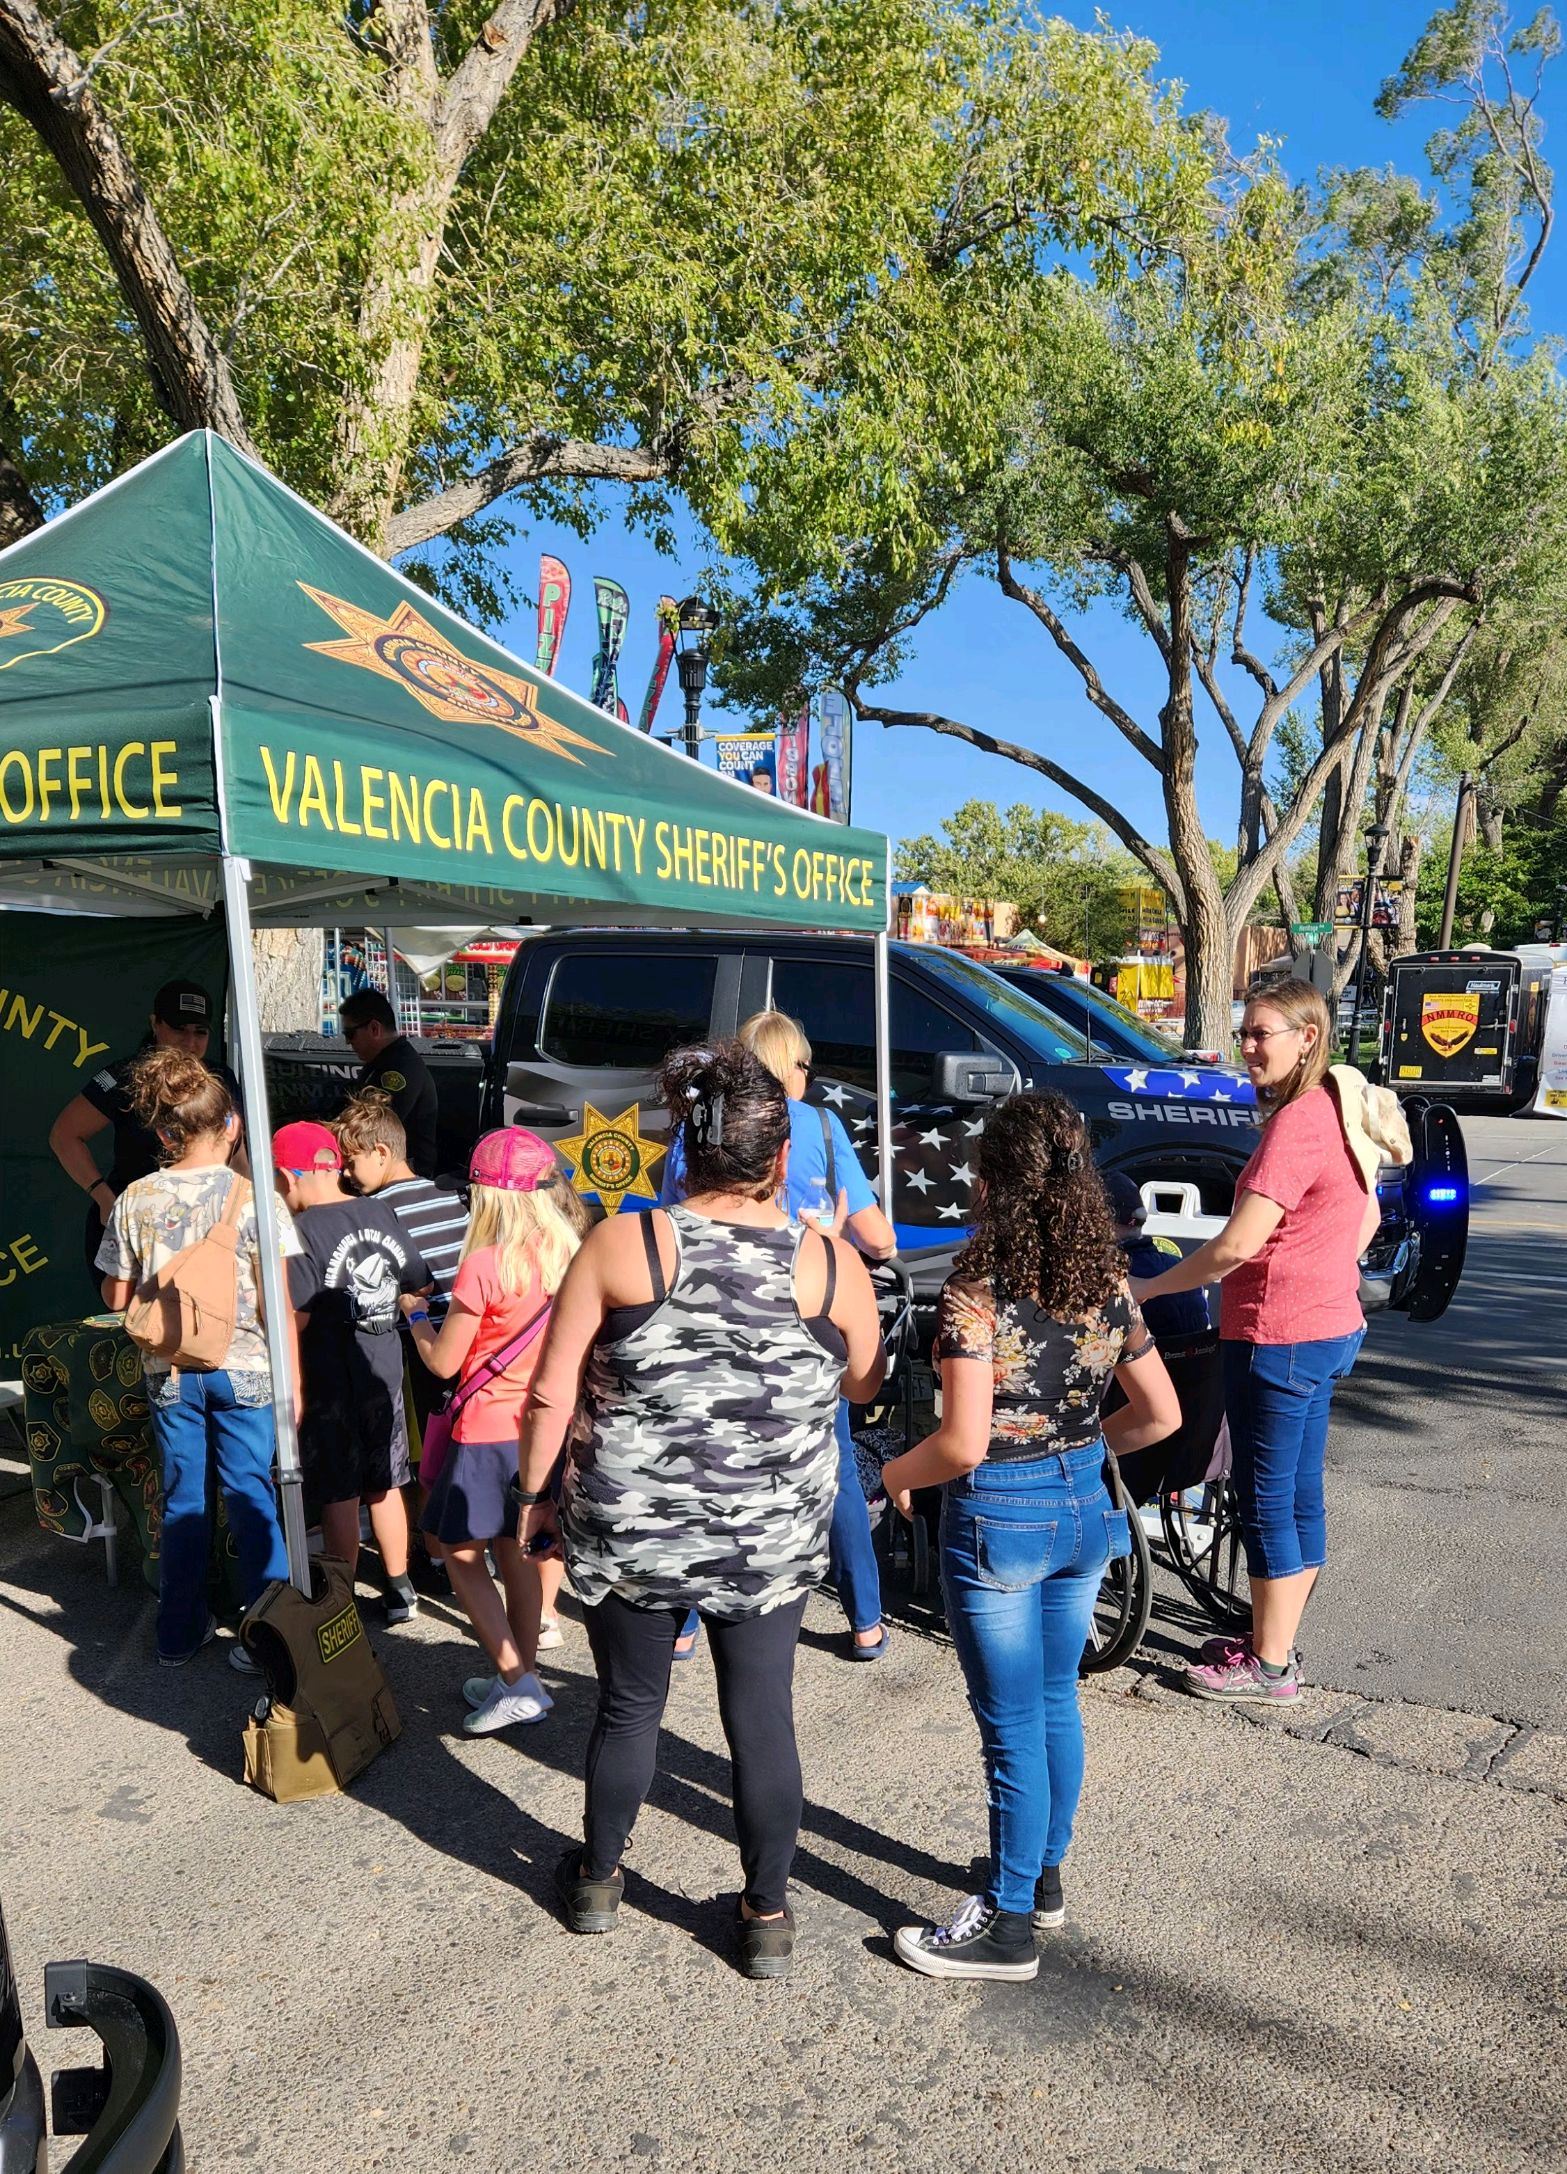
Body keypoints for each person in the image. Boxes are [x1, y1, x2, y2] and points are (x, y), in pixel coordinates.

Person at [517, 1041, 885, 1979]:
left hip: (631, 1528)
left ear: (684, 1143)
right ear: (779, 1158)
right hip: (767, 1538)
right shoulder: (833, 1266)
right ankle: (766, 1915)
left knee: (630, 1707)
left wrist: (531, 1499)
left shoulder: (621, 1242)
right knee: (761, 1716)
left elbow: (550, 1395)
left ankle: (599, 1879)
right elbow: (867, 1386)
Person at [882, 1093, 1179, 1982]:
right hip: (1084, 1506)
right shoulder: (1106, 1282)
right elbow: (1156, 1414)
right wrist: (1082, 1453)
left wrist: (896, 1477)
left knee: (1011, 1725)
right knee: (1053, 1702)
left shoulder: (976, 1292)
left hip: (1001, 1515)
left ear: (993, 1183)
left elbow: (962, 1443)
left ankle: (1008, 1925)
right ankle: (1040, 1880)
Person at [1130, 979, 1390, 1704]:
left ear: (1307, 1037)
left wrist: (1147, 1290)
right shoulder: (1339, 1107)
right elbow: (1366, 1217)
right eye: (1243, 1033)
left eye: (1260, 1033)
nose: (1246, 1047)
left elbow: (1236, 1244)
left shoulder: (1298, 1121)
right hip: (1324, 1326)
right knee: (1297, 1492)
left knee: (1265, 1498)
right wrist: (1323, 1268)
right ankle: (1272, 1644)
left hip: (1278, 1335)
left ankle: (1269, 1667)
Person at [660, 1008, 895, 1661]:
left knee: (703, 1458)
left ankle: (681, 1624)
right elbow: (879, 1238)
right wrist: (835, 1233)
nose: (806, 1075)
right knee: (837, 1464)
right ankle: (865, 1621)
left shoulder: (697, 1127)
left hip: (711, 1310)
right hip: (806, 1310)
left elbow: (670, 1215)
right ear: (788, 1067)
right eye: (801, 1063)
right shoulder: (820, 1125)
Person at [94, 1048, 292, 1669]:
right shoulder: (255, 1196)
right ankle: (269, 1638)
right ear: (231, 1123)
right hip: (250, 1369)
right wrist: (296, 1387)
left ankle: (178, 1632)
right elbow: (276, 1304)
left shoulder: (135, 1198)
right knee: (252, 1495)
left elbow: (116, 1294)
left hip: (171, 1373)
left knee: (184, 1499)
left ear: (163, 1131)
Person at [401, 1130, 587, 1735]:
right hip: (544, 1428)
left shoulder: (485, 1264)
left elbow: (443, 1363)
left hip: (484, 1432)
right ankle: (520, 1675)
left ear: (488, 1197)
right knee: (518, 1554)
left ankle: (517, 1680)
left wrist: (414, 1319)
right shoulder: (571, 1256)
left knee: (460, 1553)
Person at [273, 1120, 429, 1623]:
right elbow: (417, 1281)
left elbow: (293, 1317)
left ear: (286, 1177)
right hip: (384, 1372)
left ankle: (340, 1599)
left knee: (339, 1494)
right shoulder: (380, 1208)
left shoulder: (299, 1232)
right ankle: (400, 1587)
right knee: (385, 1482)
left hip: (329, 1381)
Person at [336, 1090, 468, 1594]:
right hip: (464, 1340)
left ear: (382, 1153)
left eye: (352, 1160)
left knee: (418, 1456)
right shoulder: (449, 1198)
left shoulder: (371, 1213)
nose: (347, 1173)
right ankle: (447, 1547)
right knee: (450, 1450)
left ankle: (429, 1551)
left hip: (416, 1343)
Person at [51, 978, 244, 1291]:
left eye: (200, 1032)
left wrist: (242, 1210)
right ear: (156, 1024)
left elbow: (239, 1158)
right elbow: (64, 1136)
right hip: (135, 1226)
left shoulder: (221, 1077)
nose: (190, 1042)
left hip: (204, 1229)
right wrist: (104, 1199)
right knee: (136, 1324)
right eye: (179, 1029)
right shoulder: (125, 1076)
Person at [339, 988, 439, 1179]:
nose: (347, 1042)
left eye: (350, 1034)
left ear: (374, 1029)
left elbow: (373, 1126)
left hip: (404, 1176)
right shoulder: (381, 1062)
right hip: (383, 1169)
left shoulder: (400, 1068)